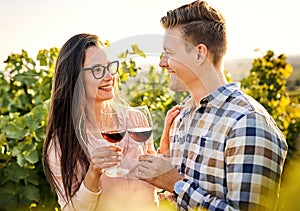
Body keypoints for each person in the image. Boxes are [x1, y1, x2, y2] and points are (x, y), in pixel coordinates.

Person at [136, 1, 288, 210]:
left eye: (169, 53)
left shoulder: (247, 123)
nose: (162, 63)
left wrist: (176, 184)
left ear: (199, 53)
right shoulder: (182, 117)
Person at [42, 33, 157, 211]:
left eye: (109, 66)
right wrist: (94, 172)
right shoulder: (62, 143)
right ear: (75, 78)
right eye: (97, 70)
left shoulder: (136, 120)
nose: (109, 76)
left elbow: (154, 177)